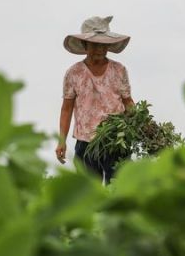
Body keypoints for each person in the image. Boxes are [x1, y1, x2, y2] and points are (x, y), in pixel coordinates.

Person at [56, 16, 135, 184]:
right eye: (95, 44)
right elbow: (66, 108)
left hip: (116, 140)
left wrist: (143, 124)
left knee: (119, 189)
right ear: (85, 45)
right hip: (86, 143)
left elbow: (128, 102)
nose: (100, 49)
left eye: (103, 45)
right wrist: (62, 141)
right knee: (89, 193)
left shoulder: (119, 70)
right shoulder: (74, 73)